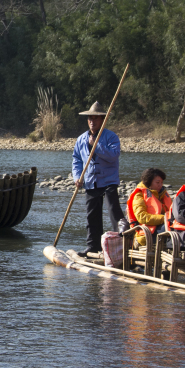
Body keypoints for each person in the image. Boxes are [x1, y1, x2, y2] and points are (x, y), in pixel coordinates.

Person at [72, 101, 121, 255]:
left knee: (114, 211)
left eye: (95, 118)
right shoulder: (81, 139)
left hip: (108, 182)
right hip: (91, 182)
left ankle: (121, 242)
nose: (92, 121)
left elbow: (113, 156)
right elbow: (77, 160)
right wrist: (78, 177)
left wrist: (97, 146)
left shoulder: (111, 137)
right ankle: (93, 246)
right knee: (92, 215)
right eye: (90, 119)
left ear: (103, 120)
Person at [126, 168, 172, 247]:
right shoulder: (139, 195)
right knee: (172, 229)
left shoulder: (163, 194)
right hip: (145, 234)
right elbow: (142, 217)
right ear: (149, 182)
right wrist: (165, 219)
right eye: (157, 182)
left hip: (159, 228)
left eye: (161, 182)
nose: (160, 185)